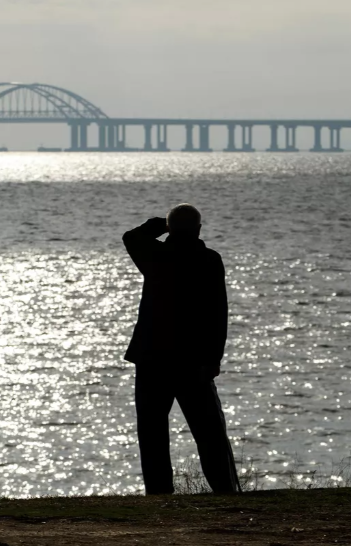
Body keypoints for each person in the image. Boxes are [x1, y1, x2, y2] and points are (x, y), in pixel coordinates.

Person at [122, 203, 241, 495]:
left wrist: (159, 225)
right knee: (210, 432)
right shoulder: (209, 260)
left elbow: (130, 237)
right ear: (199, 229)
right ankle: (225, 489)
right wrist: (214, 358)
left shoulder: (154, 255)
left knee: (152, 433)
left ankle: (159, 493)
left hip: (151, 358)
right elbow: (218, 313)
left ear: (170, 228)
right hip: (193, 360)